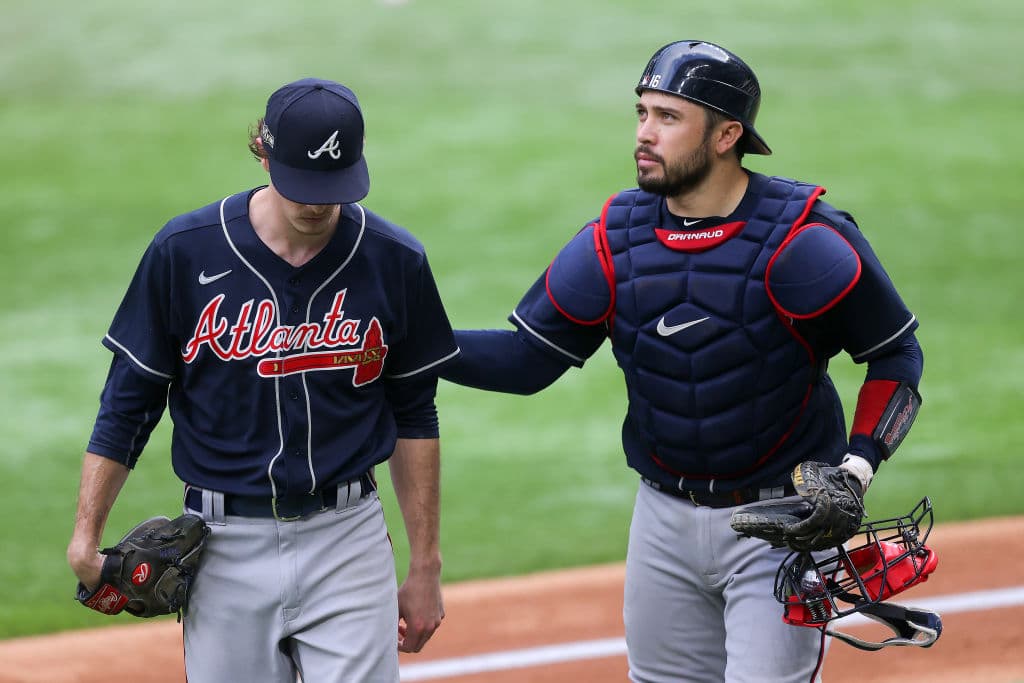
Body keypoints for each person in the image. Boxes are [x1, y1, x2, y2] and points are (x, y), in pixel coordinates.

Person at [440, 40, 923, 682]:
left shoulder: (805, 241)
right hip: (661, 524)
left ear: (727, 135)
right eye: (642, 113)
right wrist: (412, 346)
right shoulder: (616, 240)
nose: (645, 133)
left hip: (780, 526)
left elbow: (895, 354)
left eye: (668, 117)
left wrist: (856, 468)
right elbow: (528, 361)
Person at [67, 77, 460, 682]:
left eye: (333, 188)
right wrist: (85, 536)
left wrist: (426, 565)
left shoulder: (394, 259)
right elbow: (129, 402)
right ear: (263, 153)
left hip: (347, 541)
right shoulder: (184, 252)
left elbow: (414, 413)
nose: (317, 205)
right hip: (224, 547)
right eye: (302, 184)